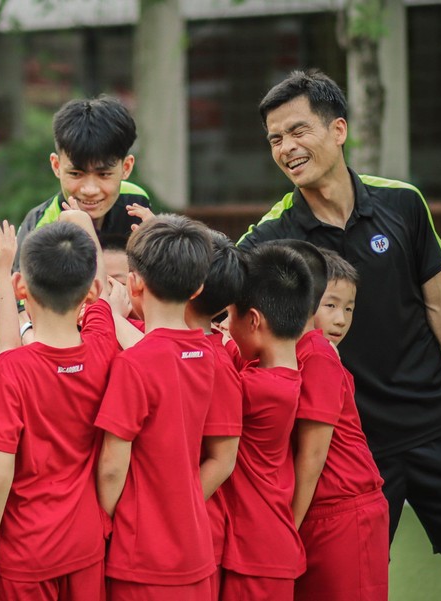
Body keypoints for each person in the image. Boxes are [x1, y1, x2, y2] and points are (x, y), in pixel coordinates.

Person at [237, 68, 441, 597]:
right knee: (352, 584)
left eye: (299, 131)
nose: (286, 148)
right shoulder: (270, 237)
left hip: (436, 422)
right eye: (275, 139)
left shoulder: (402, 203)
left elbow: (439, 302)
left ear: (339, 130)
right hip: (352, 447)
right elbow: (217, 300)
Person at [0, 207, 118, 601]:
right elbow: (100, 288)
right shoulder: (104, 348)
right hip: (87, 544)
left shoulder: (10, 371)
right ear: (90, 291)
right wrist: (83, 223)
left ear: (22, 287)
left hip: (26, 551)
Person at [95, 214, 230, 600]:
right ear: (197, 287)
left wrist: (113, 522)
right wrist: (179, 506)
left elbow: (111, 468)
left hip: (139, 560)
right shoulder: (214, 357)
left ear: (133, 283)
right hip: (196, 551)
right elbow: (224, 458)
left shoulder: (134, 365)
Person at [293, 248, 388, 601]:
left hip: (344, 512)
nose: (341, 319)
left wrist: (289, 523)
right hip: (325, 510)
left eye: (349, 308)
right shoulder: (304, 350)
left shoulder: (318, 354)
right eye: (330, 305)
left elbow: (314, 454)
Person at [220, 244, 311, 600]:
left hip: (256, 554)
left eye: (228, 316)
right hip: (264, 546)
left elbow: (185, 375)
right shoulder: (278, 375)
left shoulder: (258, 388)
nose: (225, 325)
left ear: (254, 320)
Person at [13, 95, 151, 274]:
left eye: (104, 174)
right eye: (76, 174)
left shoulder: (136, 201)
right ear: (56, 166)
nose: (90, 190)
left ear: (126, 167)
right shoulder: (39, 227)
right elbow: (22, 300)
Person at [183, 229, 245, 587]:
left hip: (196, 526)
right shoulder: (175, 343)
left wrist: (177, 511)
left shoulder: (216, 363)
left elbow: (223, 459)